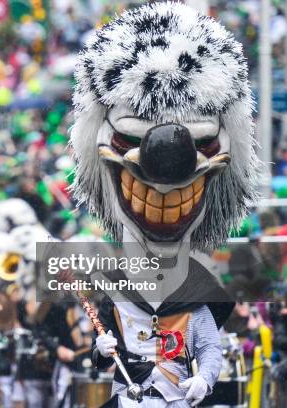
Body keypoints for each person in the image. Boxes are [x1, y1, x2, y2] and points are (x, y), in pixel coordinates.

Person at [68, 3, 262, 406]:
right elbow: (102, 362)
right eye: (132, 136)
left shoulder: (199, 299)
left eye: (199, 139)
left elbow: (209, 352)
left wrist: (204, 380)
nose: (166, 169)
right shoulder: (115, 296)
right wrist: (102, 351)